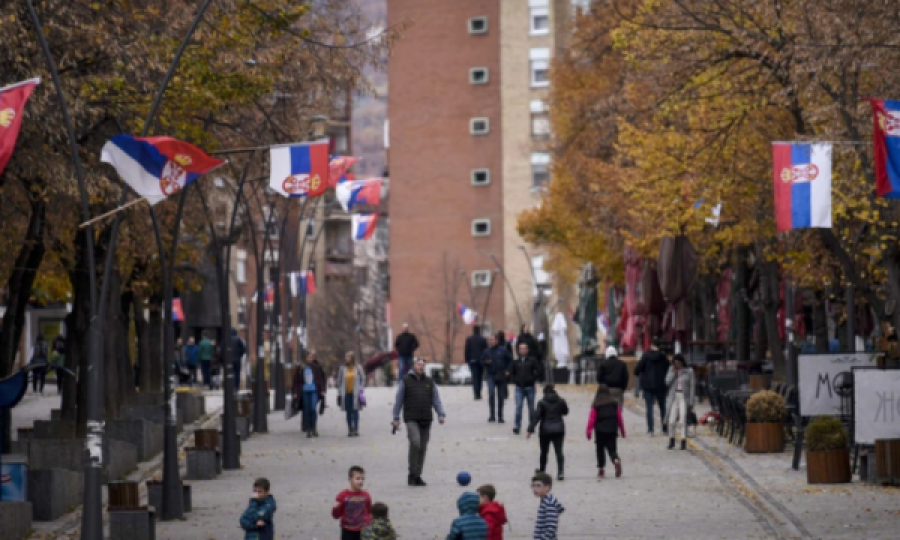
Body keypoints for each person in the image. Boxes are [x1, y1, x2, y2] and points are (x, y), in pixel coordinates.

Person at [391, 357, 446, 486]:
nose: (421, 367)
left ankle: (417, 475)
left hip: (426, 418)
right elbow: (398, 400)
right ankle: (411, 472)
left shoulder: (429, 382)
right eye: (418, 365)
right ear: (413, 366)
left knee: (422, 447)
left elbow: (436, 400)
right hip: (411, 418)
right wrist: (396, 418)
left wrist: (441, 414)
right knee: (415, 442)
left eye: (423, 365)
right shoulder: (406, 381)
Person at [527, 384, 569, 481]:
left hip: (545, 430)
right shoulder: (561, 401)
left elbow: (537, 417)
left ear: (544, 392)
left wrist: (530, 429)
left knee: (544, 452)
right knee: (559, 451)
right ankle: (560, 472)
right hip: (559, 429)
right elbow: (566, 412)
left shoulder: (542, 402)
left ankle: (542, 471)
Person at [586, 384, 626, 479]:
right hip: (612, 429)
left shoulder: (596, 404)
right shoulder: (614, 403)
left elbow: (592, 419)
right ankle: (616, 460)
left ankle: (601, 469)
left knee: (600, 450)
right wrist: (622, 431)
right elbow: (619, 418)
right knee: (612, 449)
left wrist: (589, 431)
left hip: (600, 431)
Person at [633, 339, 670, 436]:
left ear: (651, 345)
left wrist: (640, 374)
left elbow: (637, 370)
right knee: (663, 408)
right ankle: (665, 429)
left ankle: (650, 430)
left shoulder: (646, 356)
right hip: (661, 385)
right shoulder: (663, 357)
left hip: (648, 386)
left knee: (649, 408)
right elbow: (668, 369)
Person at [508, 342, 541, 435]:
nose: (522, 350)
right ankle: (517, 426)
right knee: (518, 407)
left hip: (530, 387)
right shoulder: (516, 362)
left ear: (527, 350)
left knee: (531, 408)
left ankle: (531, 426)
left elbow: (538, 370)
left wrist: (533, 378)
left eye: (524, 348)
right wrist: (514, 379)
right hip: (519, 387)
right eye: (520, 349)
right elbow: (511, 371)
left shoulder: (532, 360)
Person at [332, 465, 372, 540]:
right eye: (357, 479)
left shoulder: (366, 495)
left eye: (363, 479)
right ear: (350, 479)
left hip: (363, 530)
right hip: (348, 531)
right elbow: (336, 516)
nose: (361, 481)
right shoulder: (342, 495)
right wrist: (335, 508)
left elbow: (369, 512)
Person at [665, 354, 695, 450]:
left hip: (684, 397)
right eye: (675, 363)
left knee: (683, 419)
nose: (676, 364)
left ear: (682, 362)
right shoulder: (671, 369)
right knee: (671, 420)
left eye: (678, 363)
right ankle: (671, 439)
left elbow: (692, 387)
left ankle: (683, 440)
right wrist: (674, 373)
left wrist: (691, 402)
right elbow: (667, 382)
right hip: (674, 397)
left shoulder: (689, 371)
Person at [483, 334, 512, 423]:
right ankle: (492, 415)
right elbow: (482, 361)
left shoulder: (503, 350)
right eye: (489, 340)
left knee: (501, 396)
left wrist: (508, 370)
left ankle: (500, 416)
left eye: (492, 340)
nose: (490, 342)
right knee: (491, 394)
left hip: (501, 374)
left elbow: (510, 360)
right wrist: (486, 362)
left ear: (496, 341)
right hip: (491, 375)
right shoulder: (486, 351)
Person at [338, 352, 366, 437]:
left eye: (348, 357)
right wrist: (340, 391)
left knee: (355, 411)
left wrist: (361, 388)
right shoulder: (342, 368)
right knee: (348, 411)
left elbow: (363, 378)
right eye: (346, 357)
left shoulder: (358, 368)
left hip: (355, 393)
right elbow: (339, 381)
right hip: (346, 393)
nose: (346, 358)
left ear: (352, 358)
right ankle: (350, 429)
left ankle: (356, 429)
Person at [531, 472, 564, 540]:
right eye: (533, 485)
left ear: (547, 487)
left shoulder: (549, 503)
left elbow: (551, 527)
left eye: (538, 485)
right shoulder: (545, 501)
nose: (535, 488)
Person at [297, 356, 322, 438]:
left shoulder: (316, 367)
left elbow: (320, 379)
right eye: (308, 357)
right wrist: (296, 391)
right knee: (307, 410)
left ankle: (314, 427)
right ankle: (308, 429)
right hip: (305, 391)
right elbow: (297, 380)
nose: (310, 359)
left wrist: (322, 390)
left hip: (314, 391)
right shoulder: (302, 368)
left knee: (313, 409)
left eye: (311, 358)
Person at [464, 325, 488, 400]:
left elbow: (466, 350)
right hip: (481, 361)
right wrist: (485, 359)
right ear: (479, 330)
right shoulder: (483, 339)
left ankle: (475, 393)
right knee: (480, 377)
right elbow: (486, 350)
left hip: (472, 360)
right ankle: (479, 393)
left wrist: (467, 360)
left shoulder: (469, 339)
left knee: (474, 377)